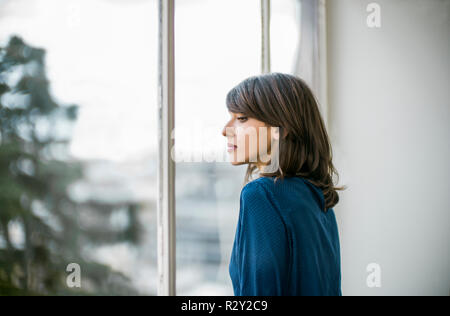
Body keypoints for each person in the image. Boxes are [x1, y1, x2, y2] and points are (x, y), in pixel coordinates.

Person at [221, 72, 345, 296]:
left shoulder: (261, 195)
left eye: (241, 119)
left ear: (282, 128)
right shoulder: (319, 199)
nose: (225, 130)